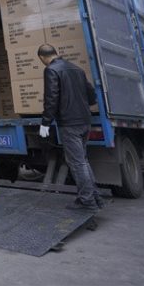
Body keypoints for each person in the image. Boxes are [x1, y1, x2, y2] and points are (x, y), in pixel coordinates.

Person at [37, 44, 104, 211]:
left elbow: (51, 98)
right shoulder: (77, 69)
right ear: (56, 52)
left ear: (42, 58)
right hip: (85, 121)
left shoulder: (51, 70)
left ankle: (87, 201)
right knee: (83, 160)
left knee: (77, 163)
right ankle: (95, 196)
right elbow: (91, 95)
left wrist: (45, 122)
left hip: (70, 123)